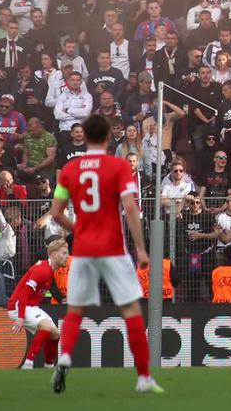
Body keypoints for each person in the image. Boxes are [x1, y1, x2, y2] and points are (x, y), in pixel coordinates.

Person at [48, 114, 162, 394]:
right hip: (112, 247)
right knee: (131, 310)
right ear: (110, 137)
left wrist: (79, 228)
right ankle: (144, 378)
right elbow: (131, 208)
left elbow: (55, 213)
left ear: (83, 136)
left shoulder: (69, 170)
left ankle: (64, 358)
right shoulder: (119, 166)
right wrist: (140, 248)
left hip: (83, 249)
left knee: (75, 309)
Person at [8, 237, 69, 369]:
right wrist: (20, 317)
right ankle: (28, 365)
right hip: (18, 306)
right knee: (46, 327)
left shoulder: (49, 270)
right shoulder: (42, 270)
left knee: (55, 334)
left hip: (31, 306)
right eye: (64, 253)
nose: (67, 256)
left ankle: (49, 366)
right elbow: (24, 293)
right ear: (53, 254)